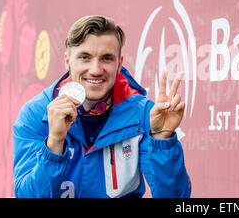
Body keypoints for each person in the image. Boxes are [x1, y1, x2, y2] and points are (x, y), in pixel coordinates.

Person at [13, 15, 191, 198]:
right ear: (68, 61)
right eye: (85, 57)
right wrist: (54, 144)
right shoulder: (35, 114)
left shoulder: (144, 114)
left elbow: (176, 198)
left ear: (119, 63)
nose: (96, 70)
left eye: (106, 58)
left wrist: (162, 141)